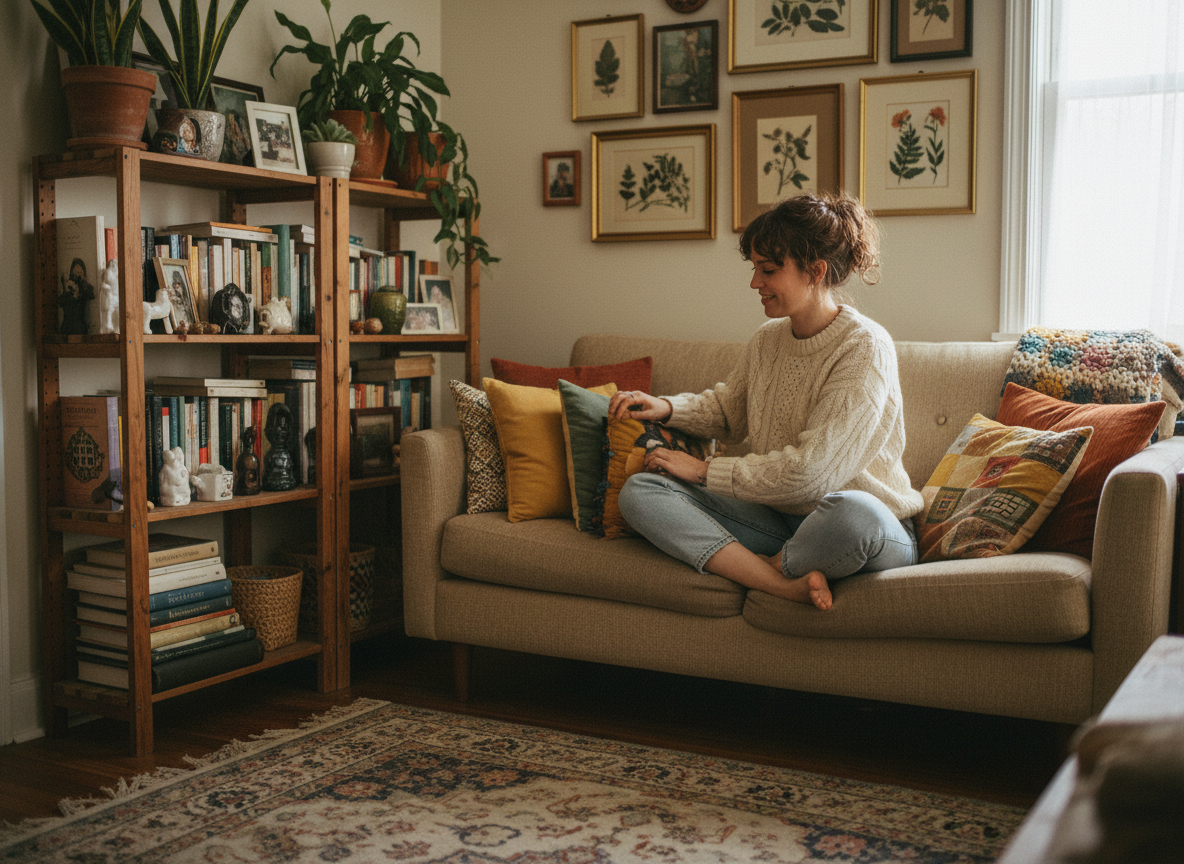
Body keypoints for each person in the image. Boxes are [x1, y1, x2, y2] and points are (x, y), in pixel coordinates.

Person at [608, 192, 923, 611]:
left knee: (854, 512)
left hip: (865, 528)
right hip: (779, 519)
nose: (755, 283)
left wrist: (705, 471)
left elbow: (812, 473)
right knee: (641, 492)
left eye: (768, 270)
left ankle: (761, 568)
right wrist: (667, 407)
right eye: (755, 268)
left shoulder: (865, 347)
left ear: (816, 271)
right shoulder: (767, 340)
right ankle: (781, 583)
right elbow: (729, 411)